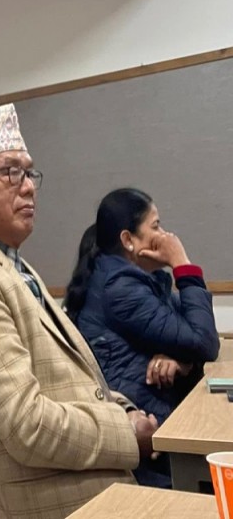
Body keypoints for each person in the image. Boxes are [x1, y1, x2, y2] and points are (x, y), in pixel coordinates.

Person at [0, 104, 159, 519]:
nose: (28, 188)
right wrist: (126, 434)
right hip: (45, 499)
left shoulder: (11, 263)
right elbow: (27, 427)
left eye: (29, 173)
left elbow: (71, 383)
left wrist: (124, 410)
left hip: (82, 475)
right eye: (10, 172)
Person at [64, 188, 219, 487]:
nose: (167, 235)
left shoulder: (141, 281)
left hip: (163, 420)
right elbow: (204, 341)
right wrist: (182, 263)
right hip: (149, 443)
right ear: (128, 240)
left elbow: (194, 336)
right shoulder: (120, 287)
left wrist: (180, 359)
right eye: (156, 226)